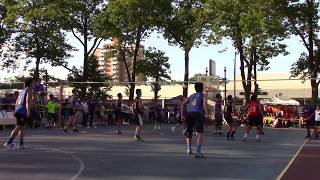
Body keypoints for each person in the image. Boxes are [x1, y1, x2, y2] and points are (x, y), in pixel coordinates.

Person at [3, 77, 35, 149]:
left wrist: (15, 110)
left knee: (22, 127)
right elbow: (27, 102)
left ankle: (21, 144)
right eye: (33, 82)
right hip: (22, 111)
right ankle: (8, 142)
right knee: (19, 127)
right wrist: (28, 111)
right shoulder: (29, 91)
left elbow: (17, 102)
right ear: (30, 83)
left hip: (18, 110)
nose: (34, 84)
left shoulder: (22, 91)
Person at [181, 82, 208, 158]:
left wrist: (182, 115)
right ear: (202, 88)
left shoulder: (191, 96)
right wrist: (207, 114)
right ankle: (198, 152)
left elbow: (183, 104)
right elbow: (205, 104)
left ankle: (189, 149)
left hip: (189, 114)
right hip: (197, 114)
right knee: (200, 133)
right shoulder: (203, 95)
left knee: (189, 132)